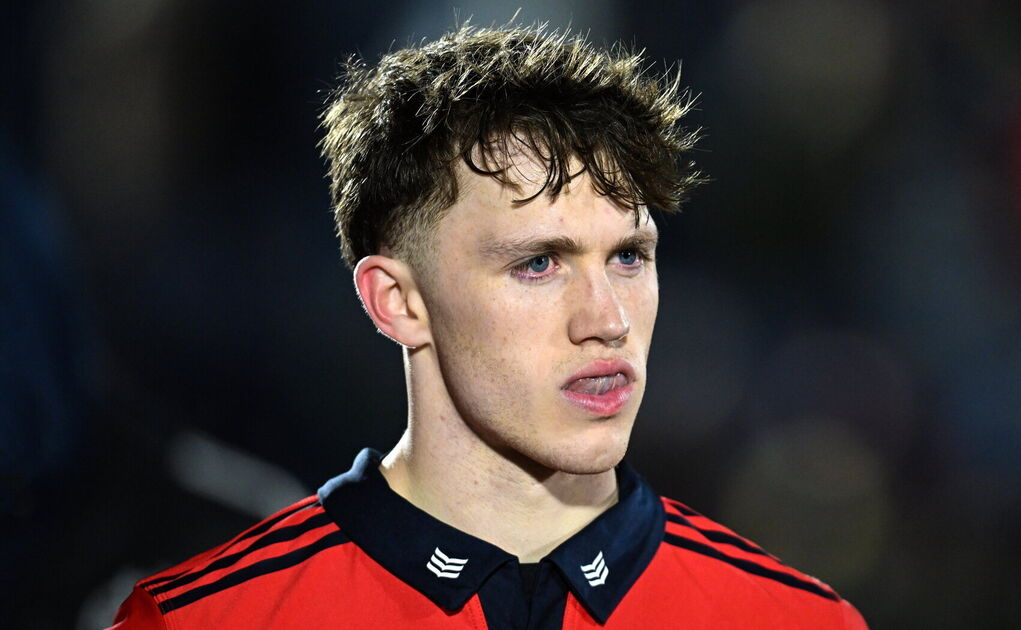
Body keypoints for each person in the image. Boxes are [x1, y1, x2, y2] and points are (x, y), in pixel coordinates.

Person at [108, 24, 868, 629]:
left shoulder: (798, 621)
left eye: (629, 257)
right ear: (397, 302)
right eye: (538, 263)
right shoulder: (206, 621)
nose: (606, 320)